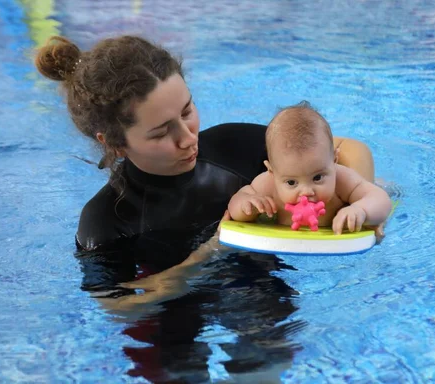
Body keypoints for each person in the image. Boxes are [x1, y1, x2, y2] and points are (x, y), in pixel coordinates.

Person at [34, 35, 387, 381]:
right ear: (115, 144)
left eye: (187, 111)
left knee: (263, 359)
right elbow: (118, 306)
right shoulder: (106, 219)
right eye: (160, 133)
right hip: (170, 304)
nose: (188, 138)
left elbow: (349, 150)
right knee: (175, 369)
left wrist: (351, 201)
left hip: (251, 284)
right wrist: (208, 254)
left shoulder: (232, 146)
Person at [228, 101, 392, 234]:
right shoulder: (267, 184)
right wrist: (246, 205)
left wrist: (361, 210)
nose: (307, 191)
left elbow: (381, 199)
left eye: (318, 178)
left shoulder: (343, 180)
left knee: (381, 187)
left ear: (335, 160)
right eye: (292, 182)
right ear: (272, 172)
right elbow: (235, 205)